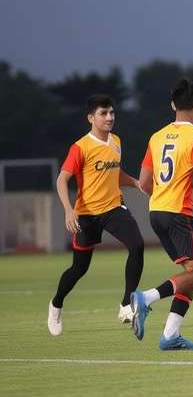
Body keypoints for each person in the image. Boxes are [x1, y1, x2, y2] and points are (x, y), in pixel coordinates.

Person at [131, 78, 193, 350]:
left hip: (156, 213)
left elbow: (144, 182)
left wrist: (163, 194)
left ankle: (170, 335)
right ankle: (146, 298)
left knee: (192, 273)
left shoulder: (156, 137)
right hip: (178, 214)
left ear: (173, 105)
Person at [48, 94, 144, 336]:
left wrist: (136, 183)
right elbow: (62, 179)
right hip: (87, 214)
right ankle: (56, 304)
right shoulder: (80, 147)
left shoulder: (116, 141)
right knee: (79, 268)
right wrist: (68, 210)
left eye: (112, 112)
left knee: (137, 245)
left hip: (113, 208)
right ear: (91, 118)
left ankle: (126, 304)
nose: (110, 117)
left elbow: (115, 173)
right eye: (103, 113)